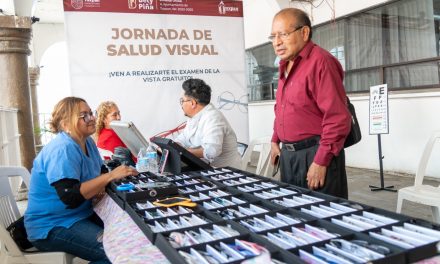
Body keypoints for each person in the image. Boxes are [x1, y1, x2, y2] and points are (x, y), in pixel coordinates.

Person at [24, 97, 139, 263]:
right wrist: (111, 176)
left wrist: (104, 181)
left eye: (90, 113)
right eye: (84, 115)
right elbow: (70, 197)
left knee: (130, 237)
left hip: (79, 215)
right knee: (116, 253)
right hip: (51, 226)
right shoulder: (62, 148)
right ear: (65, 124)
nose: (92, 118)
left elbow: (100, 173)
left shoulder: (88, 142)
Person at [269, 8, 351, 198]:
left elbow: (338, 118)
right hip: (289, 156)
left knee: (323, 219)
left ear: (304, 33)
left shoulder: (321, 62)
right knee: (293, 215)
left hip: (315, 154)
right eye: (273, 36)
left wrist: (321, 161)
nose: (277, 42)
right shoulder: (285, 64)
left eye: (283, 34)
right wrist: (276, 139)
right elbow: (283, 108)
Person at [175, 78, 241, 168]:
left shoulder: (213, 117)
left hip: (224, 173)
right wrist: (172, 147)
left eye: (182, 101)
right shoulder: (194, 117)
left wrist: (181, 152)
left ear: (193, 103)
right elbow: (183, 138)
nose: (181, 104)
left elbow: (211, 151)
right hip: (205, 168)